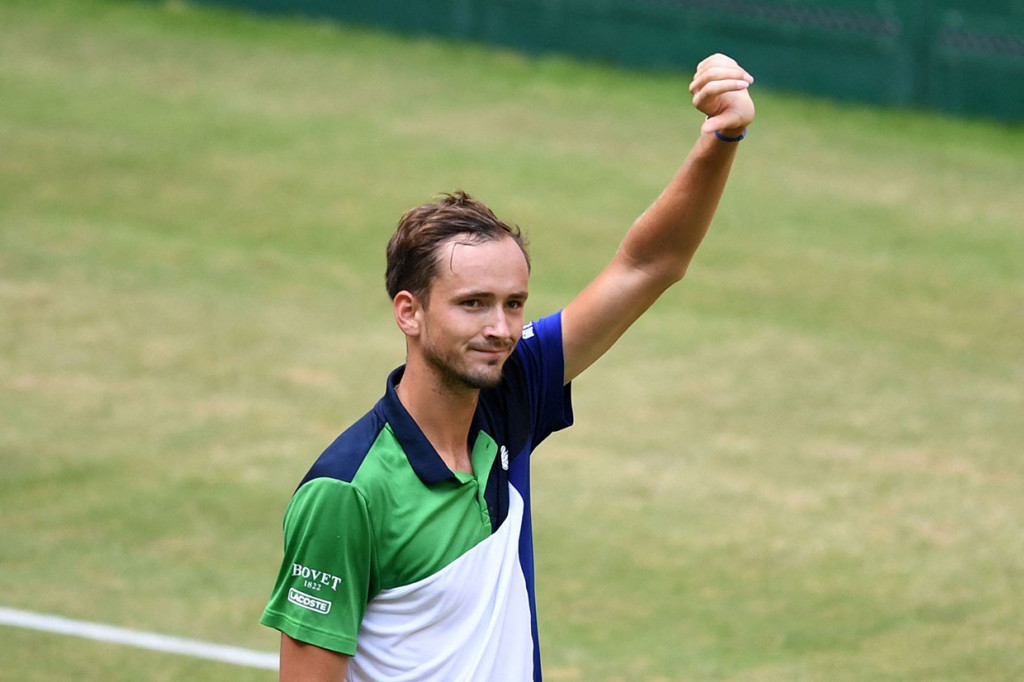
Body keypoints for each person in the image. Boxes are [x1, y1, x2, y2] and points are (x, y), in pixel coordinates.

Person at [260, 53, 756, 682]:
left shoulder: (507, 392)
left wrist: (722, 137)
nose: (500, 329)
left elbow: (647, 265)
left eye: (513, 304)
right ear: (408, 313)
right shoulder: (346, 493)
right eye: (472, 305)